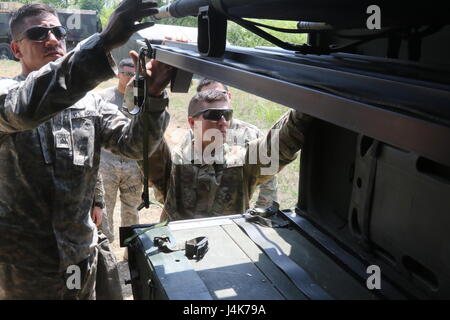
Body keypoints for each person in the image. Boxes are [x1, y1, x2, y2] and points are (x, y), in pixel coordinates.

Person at [0, 0, 173, 299]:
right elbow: (28, 108)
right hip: (23, 267)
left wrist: (153, 97)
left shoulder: (91, 105)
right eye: (39, 34)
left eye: (58, 31)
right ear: (16, 50)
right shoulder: (7, 96)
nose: (53, 39)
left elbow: (132, 145)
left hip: (79, 256)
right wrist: (103, 42)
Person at [141, 89, 311, 221]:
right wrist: (150, 95)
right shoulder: (174, 164)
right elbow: (145, 142)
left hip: (228, 249)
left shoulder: (242, 162)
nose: (223, 122)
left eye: (227, 115)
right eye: (214, 115)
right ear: (192, 122)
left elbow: (277, 147)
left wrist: (306, 107)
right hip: (178, 251)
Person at [195, 79, 278, 209]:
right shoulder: (195, 138)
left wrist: (261, 212)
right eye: (207, 98)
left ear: (229, 96)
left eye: (219, 95)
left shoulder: (251, 134)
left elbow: (269, 180)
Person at [97, 58, 143, 244]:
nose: (129, 78)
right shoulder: (102, 98)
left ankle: (132, 251)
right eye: (126, 73)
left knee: (131, 209)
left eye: (133, 74)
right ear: (118, 74)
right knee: (104, 208)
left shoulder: (141, 100)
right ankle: (104, 248)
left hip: (133, 165)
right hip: (107, 162)